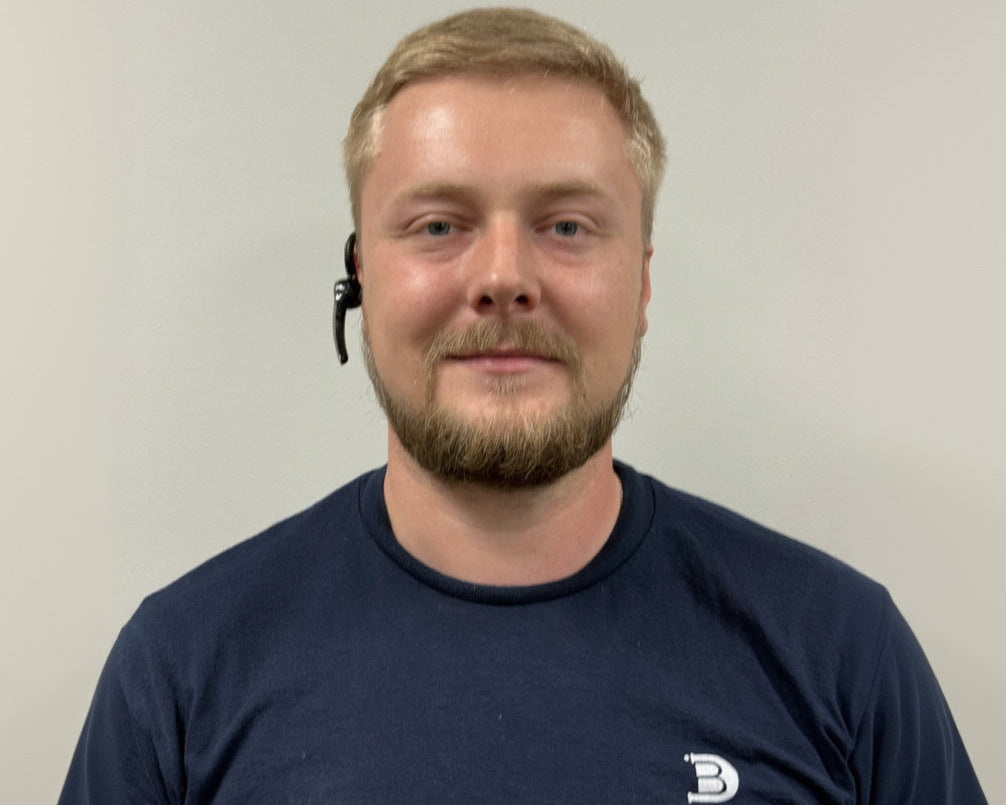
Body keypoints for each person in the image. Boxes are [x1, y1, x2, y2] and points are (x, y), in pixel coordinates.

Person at [60, 8, 986, 803]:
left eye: (567, 225)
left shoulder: (841, 653)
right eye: (439, 225)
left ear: (642, 284)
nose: (504, 277)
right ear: (361, 279)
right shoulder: (180, 675)